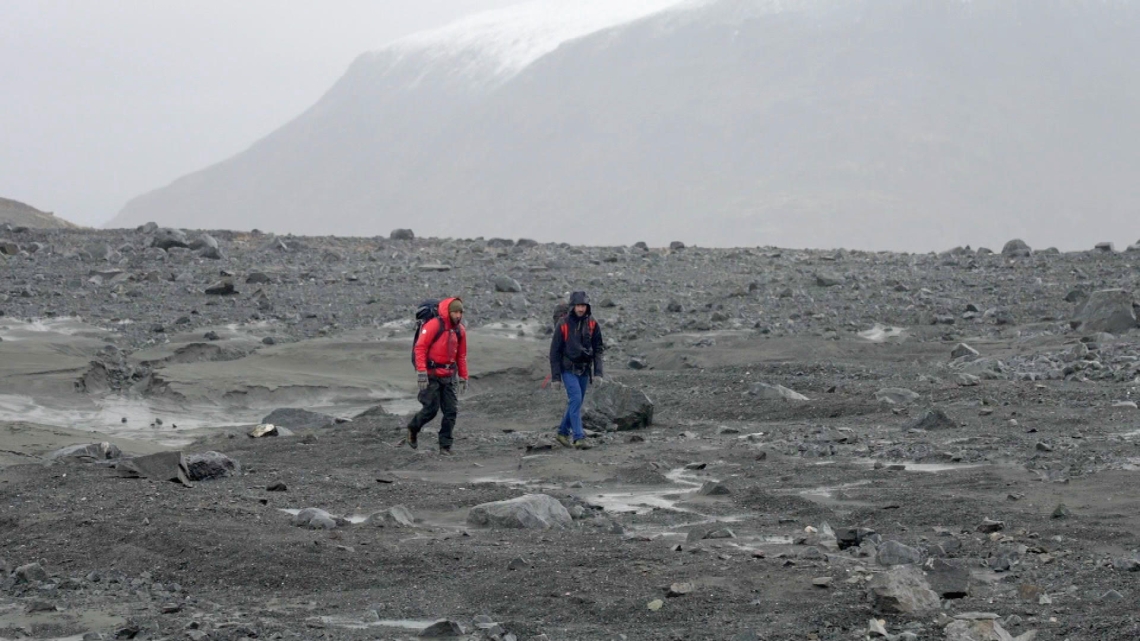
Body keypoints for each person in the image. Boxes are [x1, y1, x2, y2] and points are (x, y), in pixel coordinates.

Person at [407, 298, 468, 455]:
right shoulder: (434, 325)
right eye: (455, 312)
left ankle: (445, 447)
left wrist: (463, 377)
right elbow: (420, 348)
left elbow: (461, 356)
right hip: (431, 375)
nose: (458, 315)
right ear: (448, 312)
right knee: (431, 409)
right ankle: (413, 428)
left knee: (451, 412)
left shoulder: (460, 330)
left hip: (449, 376)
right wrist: (421, 372)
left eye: (460, 312)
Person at [549, 291, 604, 449]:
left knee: (576, 402)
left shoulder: (592, 323)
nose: (581, 309)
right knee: (575, 399)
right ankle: (579, 437)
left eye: (584, 306)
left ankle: (562, 432)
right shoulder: (563, 324)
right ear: (573, 306)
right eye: (578, 306)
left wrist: (598, 372)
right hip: (568, 369)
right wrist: (556, 378)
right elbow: (555, 352)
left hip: (585, 370)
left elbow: (598, 348)